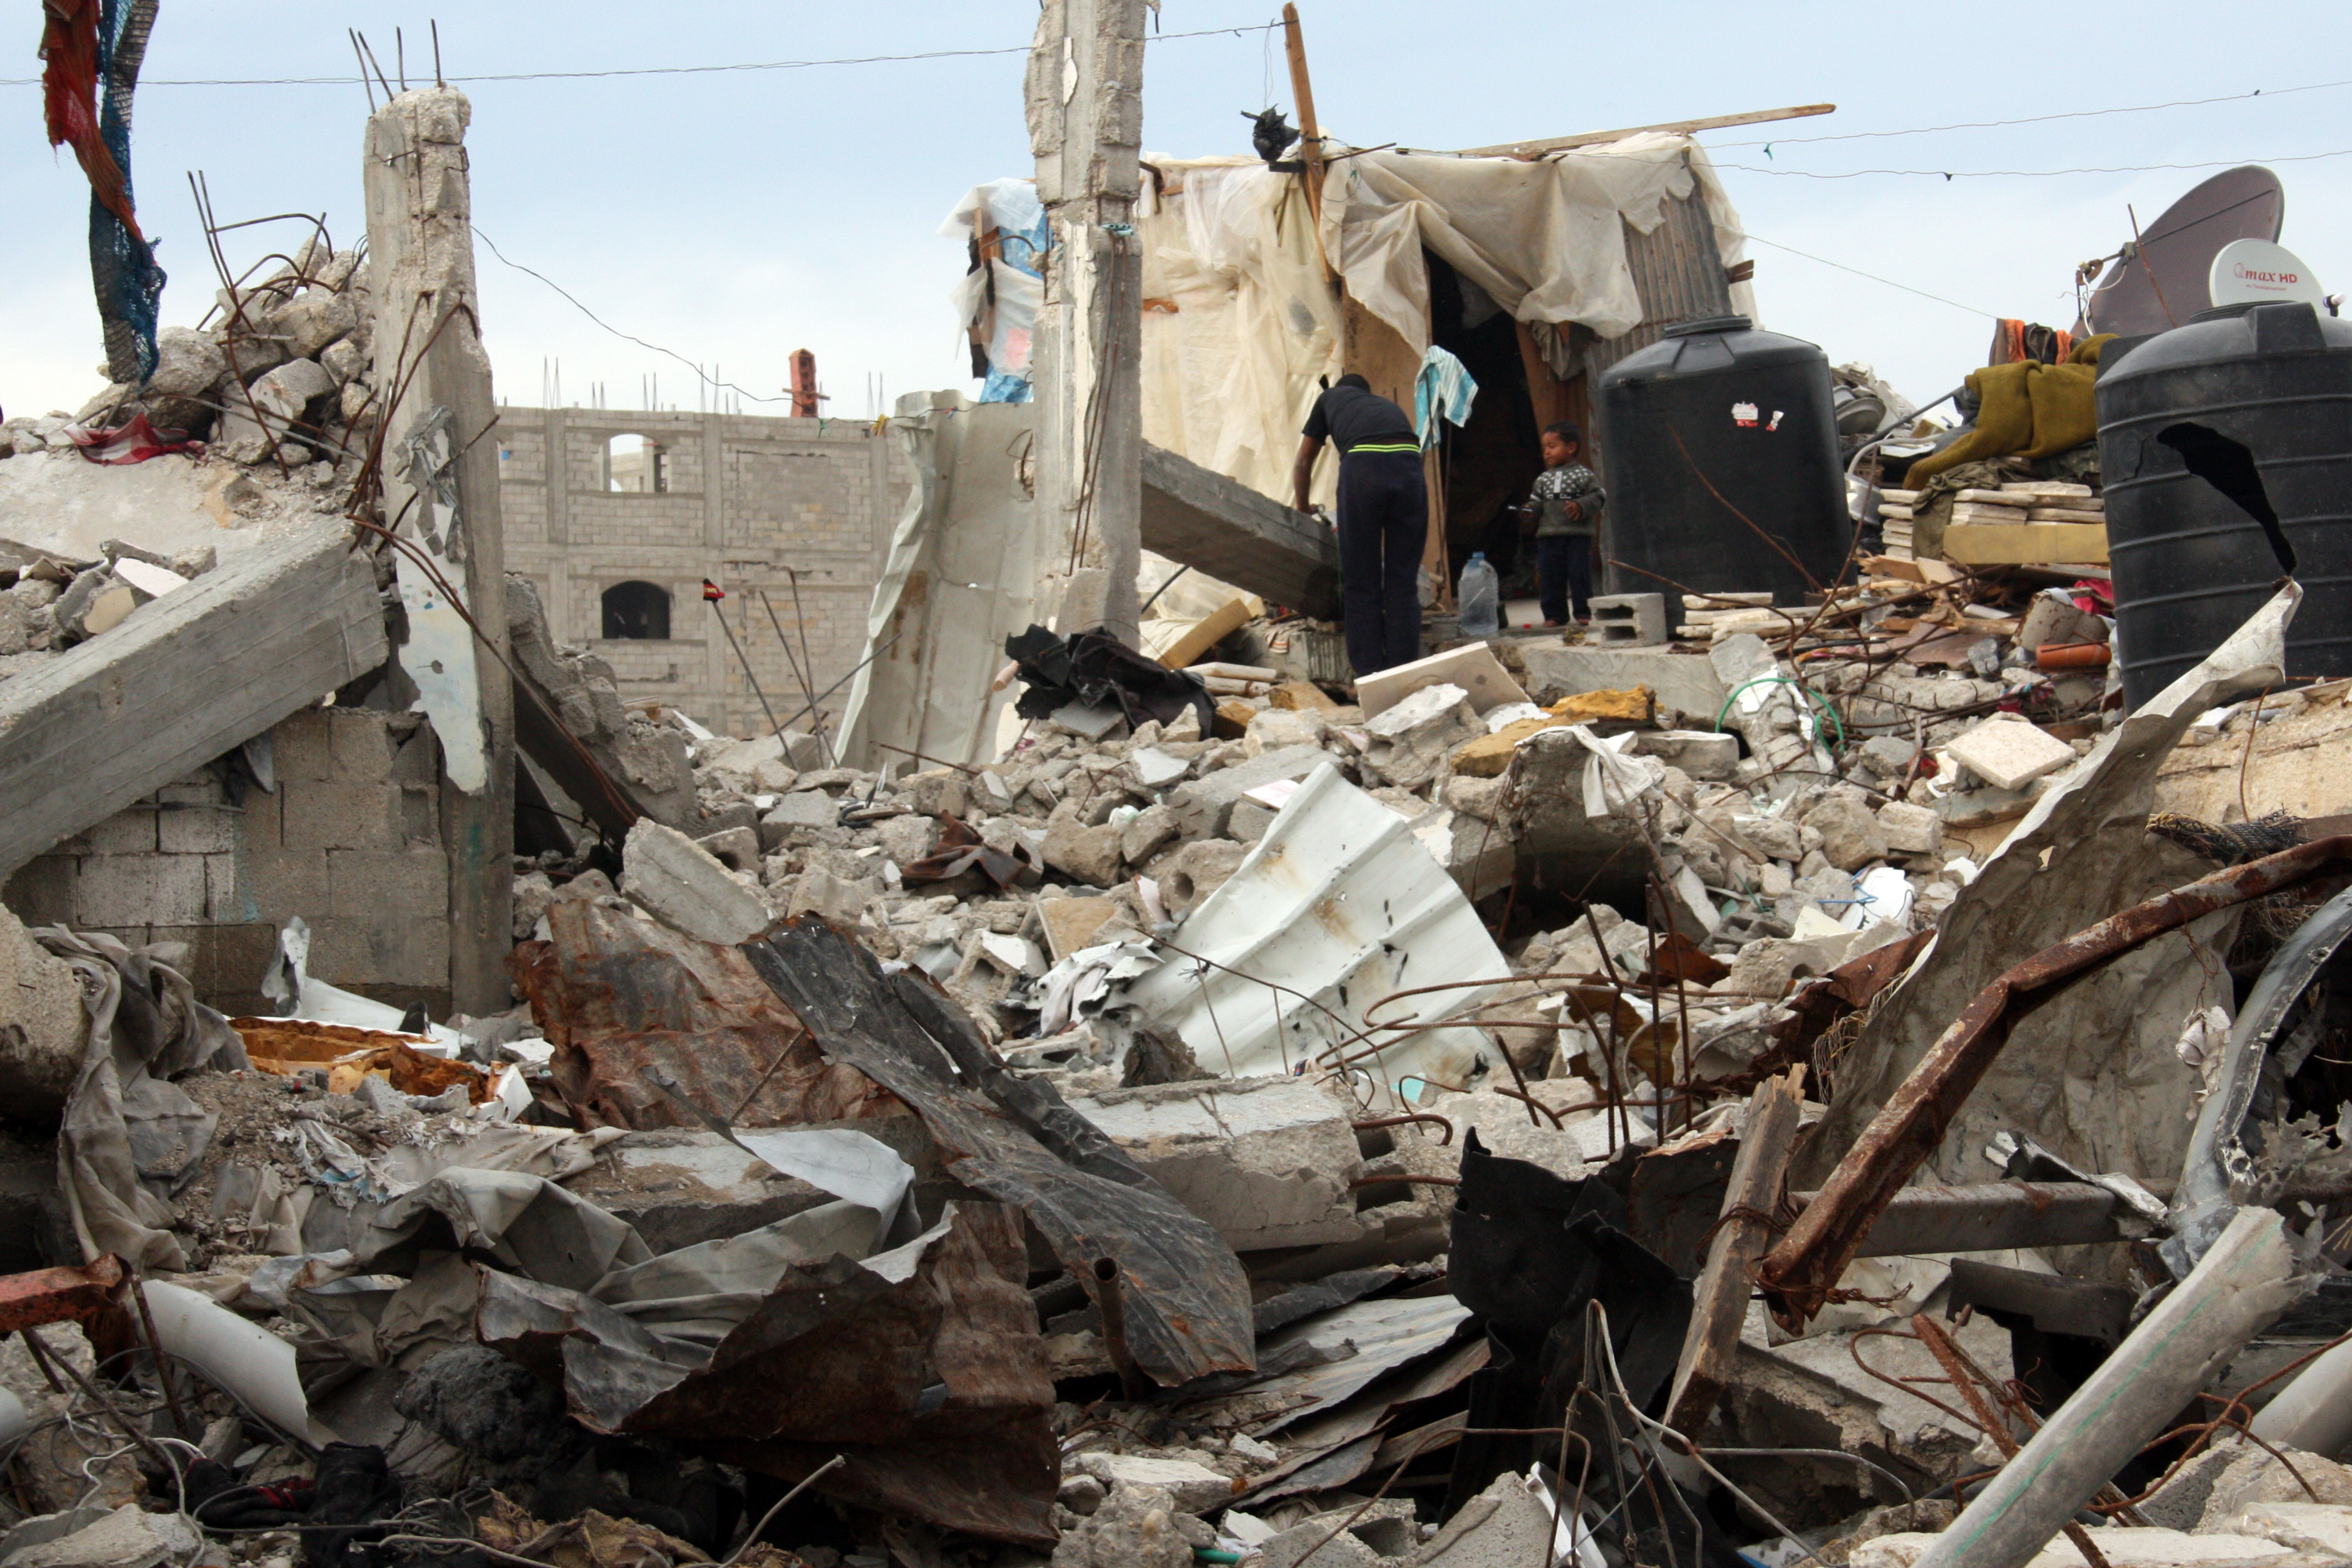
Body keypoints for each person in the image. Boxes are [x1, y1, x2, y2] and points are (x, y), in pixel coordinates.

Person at [1293, 373, 1425, 677]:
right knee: (1402, 578)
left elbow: (1303, 462)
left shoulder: (1329, 398)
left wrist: (1302, 508)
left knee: (1362, 577)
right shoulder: (1387, 407)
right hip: (1409, 466)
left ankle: (1370, 672)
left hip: (1364, 467)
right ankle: (1403, 670)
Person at [1519, 421, 1605, 627]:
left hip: (1578, 536)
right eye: (1545, 448)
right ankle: (1554, 615)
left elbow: (1599, 496)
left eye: (1552, 446)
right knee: (1550, 577)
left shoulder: (1583, 475)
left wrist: (1581, 505)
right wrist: (1530, 510)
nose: (1547, 452)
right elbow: (1537, 503)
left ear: (1571, 447)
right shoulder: (1543, 479)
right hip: (1549, 537)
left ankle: (1583, 612)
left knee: (1579, 576)